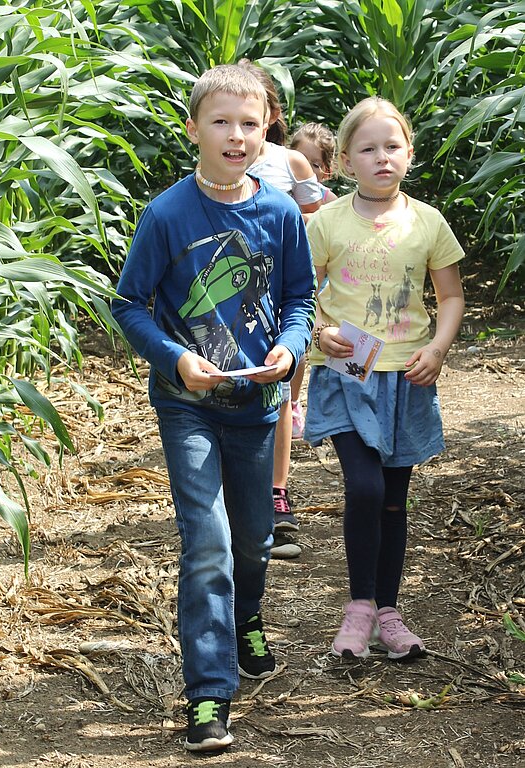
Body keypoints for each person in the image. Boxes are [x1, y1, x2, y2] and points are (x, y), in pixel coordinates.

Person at [112, 65, 315, 751]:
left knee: (253, 541)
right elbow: (128, 304)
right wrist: (174, 358)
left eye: (250, 124)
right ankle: (207, 695)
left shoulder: (280, 212)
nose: (235, 136)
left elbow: (297, 301)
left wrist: (289, 349)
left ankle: (247, 616)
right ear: (193, 128)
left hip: (256, 404)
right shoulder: (167, 214)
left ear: (268, 132)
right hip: (186, 404)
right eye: (221, 123)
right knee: (207, 544)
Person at [304, 96, 464, 660]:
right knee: (365, 487)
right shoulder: (325, 222)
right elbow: (301, 295)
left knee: (395, 498)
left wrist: (438, 348)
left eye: (391, 147)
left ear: (409, 154)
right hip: (347, 373)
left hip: (406, 377)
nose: (382, 158)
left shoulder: (427, 221)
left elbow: (450, 295)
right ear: (346, 161)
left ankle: (388, 612)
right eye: (368, 149)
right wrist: (319, 333)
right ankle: (358, 609)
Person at [237, 59, 321, 552]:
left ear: (269, 113)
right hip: (236, 297)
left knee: (283, 393)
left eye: (251, 116)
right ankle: (240, 498)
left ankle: (276, 496)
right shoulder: (220, 158)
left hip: (286, 292)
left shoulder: (290, 163)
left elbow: (316, 217)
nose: (237, 132)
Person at [288, 122, 339, 438]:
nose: (303, 170)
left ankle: (293, 403)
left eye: (313, 164)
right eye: (298, 160)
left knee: (305, 349)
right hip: (285, 282)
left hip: (319, 288)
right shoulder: (277, 195)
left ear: (327, 170)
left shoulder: (330, 202)